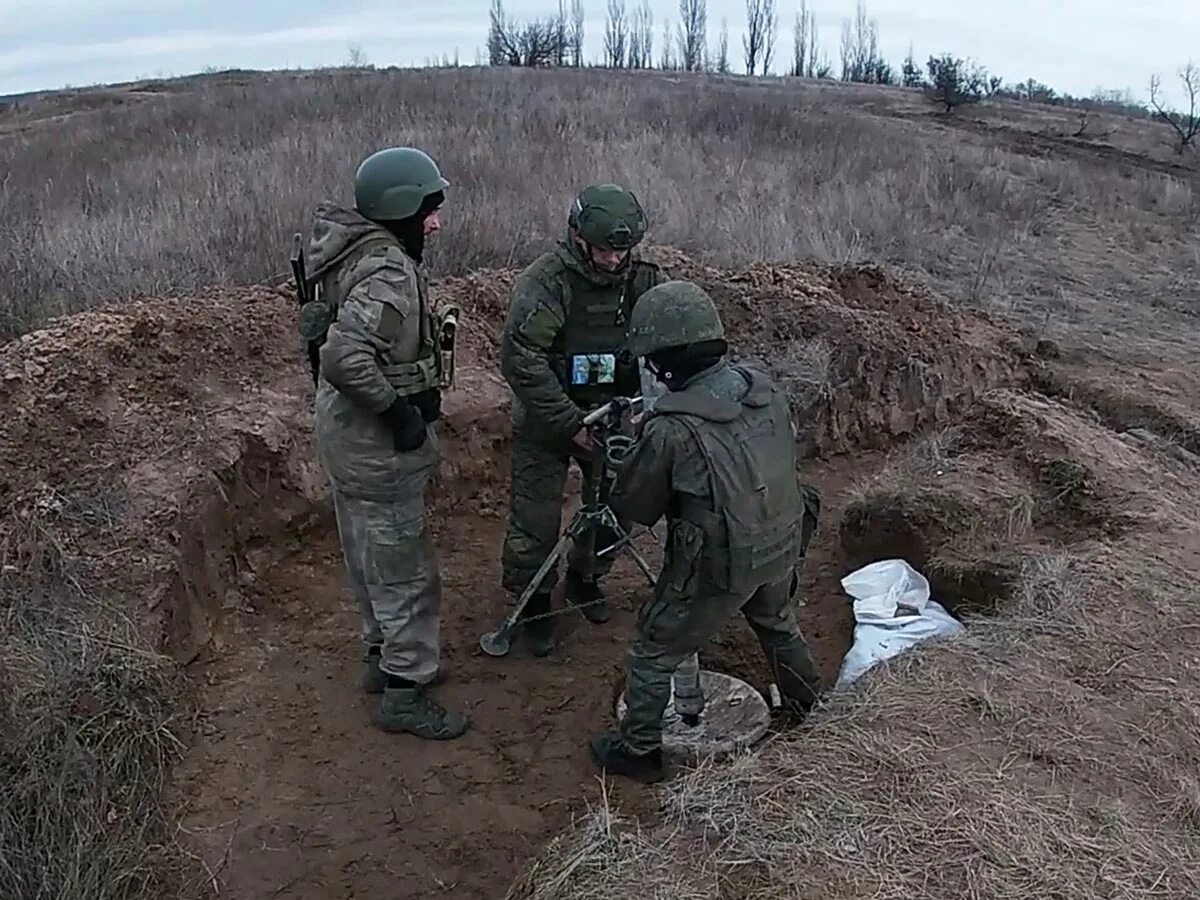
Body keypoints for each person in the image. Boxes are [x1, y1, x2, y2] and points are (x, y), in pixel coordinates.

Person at [589, 280, 822, 783]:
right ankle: (810, 707)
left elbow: (634, 504)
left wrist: (620, 452)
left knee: (654, 647)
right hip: (782, 539)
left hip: (723, 562)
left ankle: (639, 751)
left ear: (665, 362)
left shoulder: (672, 428)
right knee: (778, 623)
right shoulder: (761, 389)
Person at [297, 146, 466, 740]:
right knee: (406, 570)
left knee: (367, 554)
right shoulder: (388, 271)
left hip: (345, 436)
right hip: (373, 444)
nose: (437, 221)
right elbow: (344, 356)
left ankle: (380, 658)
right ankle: (405, 689)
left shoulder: (350, 250)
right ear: (401, 209)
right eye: (429, 208)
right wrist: (399, 412)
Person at [498, 183, 669, 656]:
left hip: (618, 419)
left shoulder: (646, 282)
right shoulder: (546, 282)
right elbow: (522, 359)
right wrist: (569, 422)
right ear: (576, 237)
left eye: (622, 251)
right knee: (535, 520)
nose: (613, 261)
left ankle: (586, 578)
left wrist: (644, 408)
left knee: (618, 510)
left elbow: (666, 341)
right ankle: (532, 603)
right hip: (550, 420)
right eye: (602, 251)